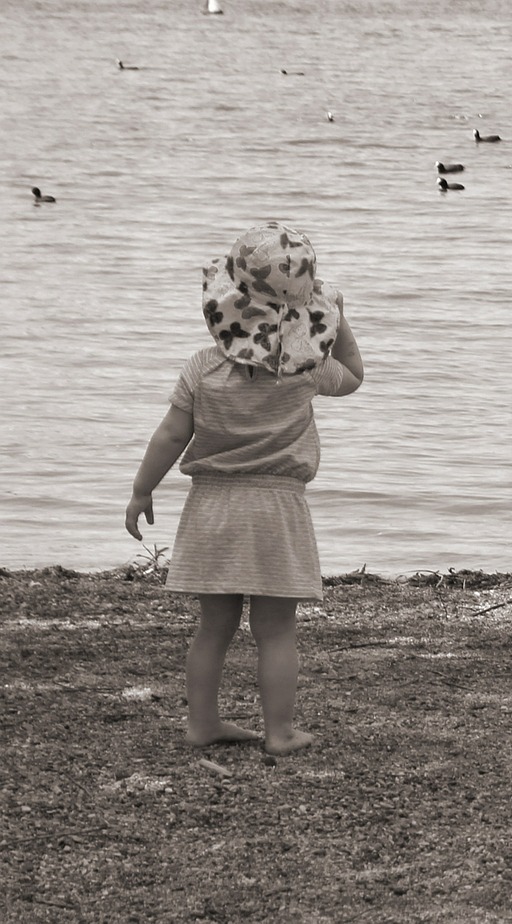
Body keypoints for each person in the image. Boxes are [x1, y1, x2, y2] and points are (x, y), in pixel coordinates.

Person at [126, 222, 364, 753]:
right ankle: (278, 732)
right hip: (277, 508)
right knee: (276, 630)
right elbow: (353, 375)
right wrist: (337, 321)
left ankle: (202, 724)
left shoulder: (202, 368)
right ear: (306, 314)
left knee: (214, 628)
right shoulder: (307, 370)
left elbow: (170, 434)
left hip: (212, 507)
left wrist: (142, 491)